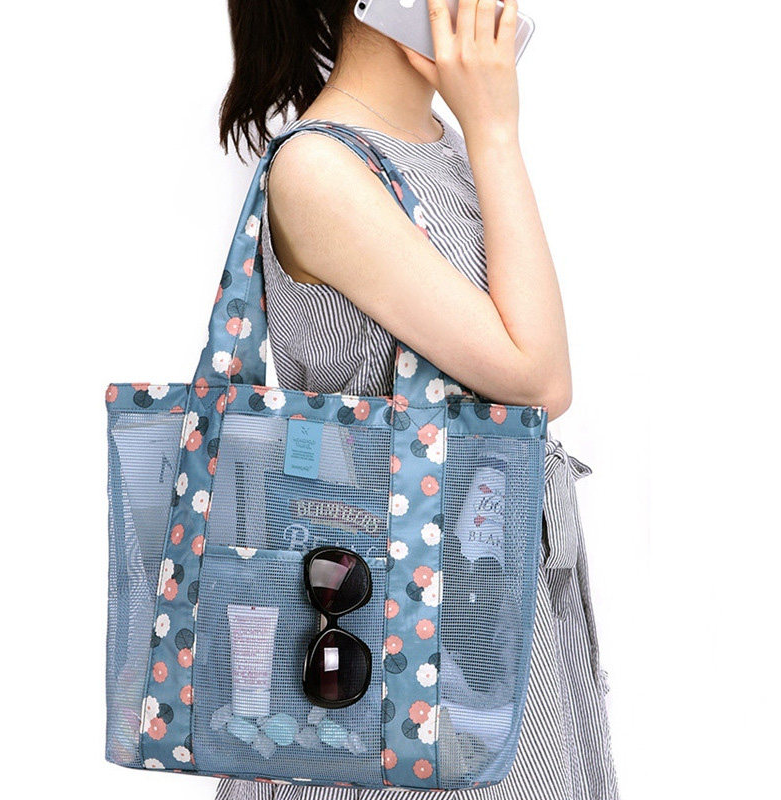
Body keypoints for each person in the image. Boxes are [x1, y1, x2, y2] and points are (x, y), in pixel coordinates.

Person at [215, 0, 618, 798]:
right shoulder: (321, 168)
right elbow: (539, 378)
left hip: (482, 618)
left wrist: (484, 132)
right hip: (393, 644)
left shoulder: (440, 145)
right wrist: (497, 131)